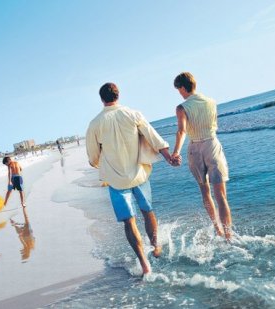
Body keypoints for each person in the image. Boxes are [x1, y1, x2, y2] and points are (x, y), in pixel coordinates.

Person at [86, 82, 180, 275]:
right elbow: (153, 137)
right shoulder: (133, 114)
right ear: (118, 95)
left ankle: (144, 264)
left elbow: (93, 156)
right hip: (139, 174)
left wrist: (98, 162)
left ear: (102, 99)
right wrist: (169, 157)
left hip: (116, 180)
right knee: (148, 211)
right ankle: (156, 247)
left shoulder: (95, 123)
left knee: (129, 222)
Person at [171, 72, 233, 240]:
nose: (180, 93)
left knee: (205, 192)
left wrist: (175, 152)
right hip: (212, 145)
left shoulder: (182, 108)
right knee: (221, 195)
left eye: (179, 90)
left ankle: (217, 229)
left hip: (195, 149)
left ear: (183, 88)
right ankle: (228, 235)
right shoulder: (211, 102)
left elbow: (182, 131)